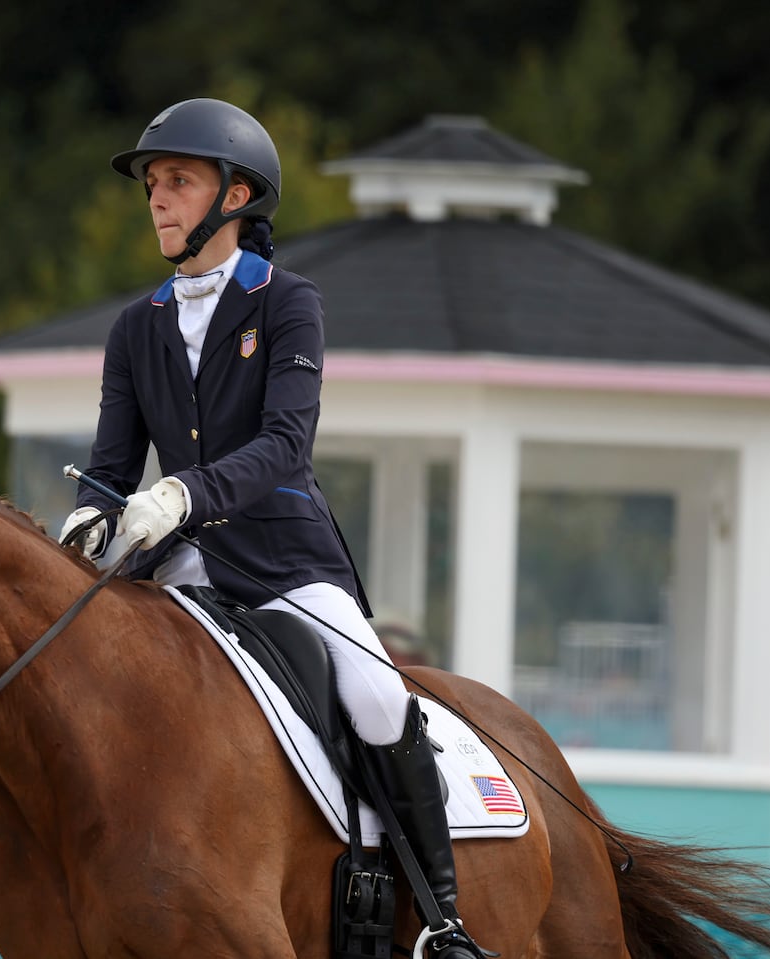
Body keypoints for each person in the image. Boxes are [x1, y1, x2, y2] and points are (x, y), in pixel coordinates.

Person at [60, 98, 482, 959]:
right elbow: (110, 466)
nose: (158, 199)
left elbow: (286, 446)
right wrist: (89, 515)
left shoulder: (288, 303)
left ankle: (441, 919)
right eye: (152, 184)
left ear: (237, 194)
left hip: (285, 560)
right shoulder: (133, 328)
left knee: (379, 695)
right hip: (179, 570)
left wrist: (180, 494)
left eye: (178, 180)